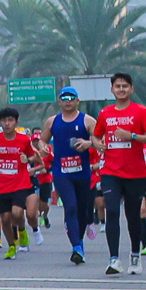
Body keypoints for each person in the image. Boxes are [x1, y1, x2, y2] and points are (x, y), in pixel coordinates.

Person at [94, 70, 146, 275]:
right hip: (110, 172)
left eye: (125, 86)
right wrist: (98, 144)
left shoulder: (140, 111)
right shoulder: (105, 113)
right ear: (112, 90)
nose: (121, 89)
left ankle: (135, 256)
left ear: (131, 89)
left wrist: (132, 136)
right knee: (111, 211)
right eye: (117, 86)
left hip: (135, 173)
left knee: (133, 216)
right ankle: (114, 260)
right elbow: (96, 135)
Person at [44, 86, 95, 265]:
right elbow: (42, 142)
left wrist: (88, 143)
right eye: (64, 98)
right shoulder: (52, 122)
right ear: (58, 101)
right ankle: (76, 247)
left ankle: (79, 241)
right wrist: (43, 148)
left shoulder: (87, 120)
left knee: (82, 211)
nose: (68, 101)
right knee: (70, 206)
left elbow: (101, 141)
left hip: (82, 173)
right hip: (61, 173)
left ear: (77, 101)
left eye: (71, 98)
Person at [0, 108, 35, 258]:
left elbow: (34, 157)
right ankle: (11, 246)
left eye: (10, 120)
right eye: (4, 120)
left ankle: (22, 229)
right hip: (1, 185)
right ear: (0, 122)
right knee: (5, 218)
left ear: (16, 122)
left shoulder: (24, 140)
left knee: (17, 213)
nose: (7, 123)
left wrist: (27, 160)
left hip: (19, 183)